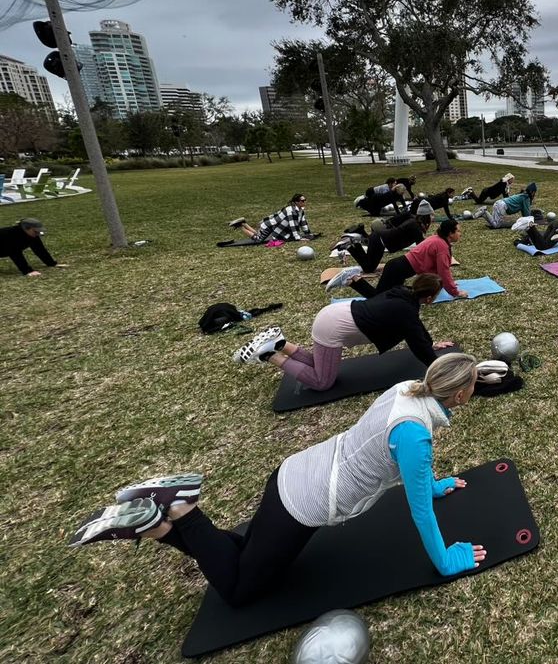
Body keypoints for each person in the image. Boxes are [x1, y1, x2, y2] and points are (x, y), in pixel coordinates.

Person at [69, 353, 488, 607]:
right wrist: (447, 560)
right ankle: (184, 508)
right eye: (472, 384)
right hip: (306, 500)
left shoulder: (409, 389)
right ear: (461, 395)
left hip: (297, 471)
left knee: (245, 552)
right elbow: (419, 513)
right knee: (237, 590)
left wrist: (433, 485)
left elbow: (396, 460)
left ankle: (157, 524)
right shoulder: (416, 433)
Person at [231, 274, 453, 391]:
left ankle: (280, 344)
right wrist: (438, 368)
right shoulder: (406, 310)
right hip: (332, 327)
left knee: (320, 367)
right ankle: (270, 355)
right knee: (322, 382)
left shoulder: (403, 293)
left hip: (333, 314)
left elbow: (417, 330)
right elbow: (417, 343)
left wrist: (431, 343)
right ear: (430, 297)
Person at [346, 219, 467, 299]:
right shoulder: (441, 246)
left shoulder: (437, 239)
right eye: (458, 231)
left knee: (397, 296)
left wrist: (445, 284)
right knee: (378, 298)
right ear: (450, 233)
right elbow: (443, 271)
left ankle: (353, 277)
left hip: (398, 268)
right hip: (396, 269)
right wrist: (455, 292)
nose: (460, 234)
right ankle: (352, 280)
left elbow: (434, 270)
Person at [229, 194, 313, 243]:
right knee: (259, 239)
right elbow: (292, 225)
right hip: (270, 225)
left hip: (273, 226)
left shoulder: (300, 210)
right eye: (302, 201)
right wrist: (298, 238)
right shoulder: (290, 210)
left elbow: (303, 222)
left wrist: (308, 233)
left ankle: (244, 223)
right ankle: (240, 225)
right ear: (296, 202)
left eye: (305, 200)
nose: (304, 202)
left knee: (258, 234)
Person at [0, 217, 67, 276]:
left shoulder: (33, 235)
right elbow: (15, 254)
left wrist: (52, 263)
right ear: (26, 228)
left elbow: (40, 250)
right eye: (36, 231)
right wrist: (27, 271)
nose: (38, 233)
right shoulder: (11, 235)